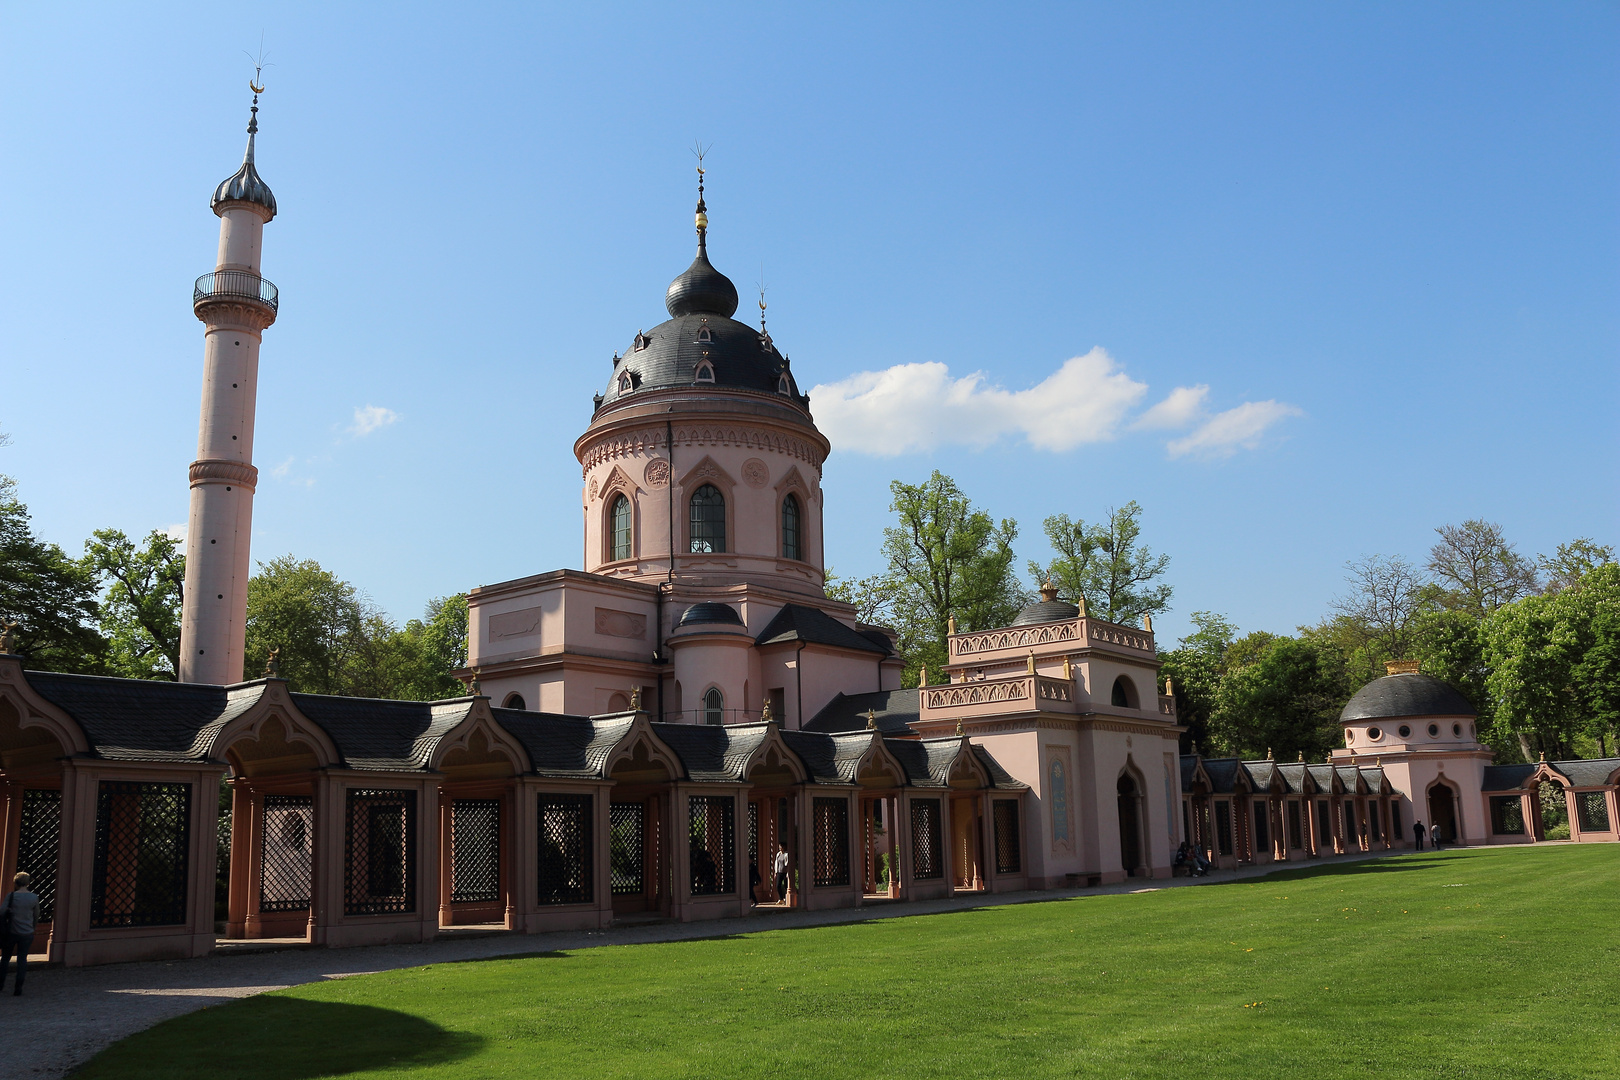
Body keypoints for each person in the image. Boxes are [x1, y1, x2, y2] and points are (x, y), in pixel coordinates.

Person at [0, 872, 40, 997]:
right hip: (27, 932)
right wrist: (32, 927)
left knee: (5, 959)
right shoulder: (34, 897)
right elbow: (36, 915)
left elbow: (1, 912)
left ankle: (0, 984)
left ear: (16, 883)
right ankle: (18, 987)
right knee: (22, 959)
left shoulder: (11, 896)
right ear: (27, 883)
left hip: (11, 931)